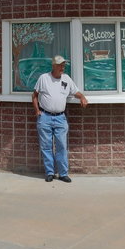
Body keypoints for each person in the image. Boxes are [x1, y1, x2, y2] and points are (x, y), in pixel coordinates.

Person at [32, 55, 89, 183]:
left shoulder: (66, 79)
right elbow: (34, 95)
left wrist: (82, 97)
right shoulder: (44, 78)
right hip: (45, 117)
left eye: (63, 65)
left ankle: (63, 173)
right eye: (60, 65)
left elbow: (76, 92)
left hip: (60, 118)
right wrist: (37, 111)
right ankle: (50, 173)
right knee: (46, 146)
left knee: (62, 146)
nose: (62, 67)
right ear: (53, 66)